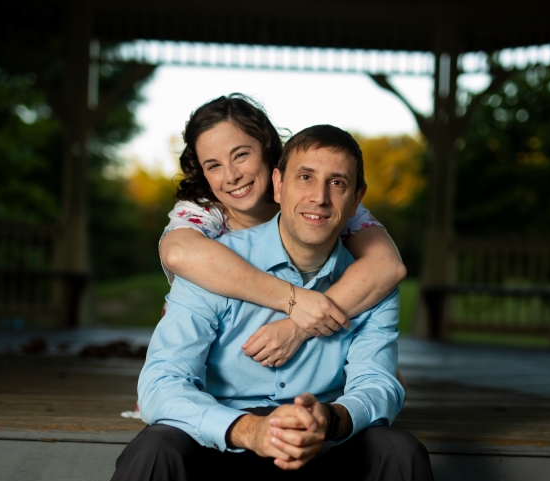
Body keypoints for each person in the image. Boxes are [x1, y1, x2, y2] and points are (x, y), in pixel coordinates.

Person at [89, 125, 441, 481]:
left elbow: (379, 382)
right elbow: (161, 383)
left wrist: (331, 419)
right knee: (154, 451)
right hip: (216, 458)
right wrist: (247, 431)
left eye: (337, 183)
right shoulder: (215, 264)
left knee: (400, 454)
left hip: (313, 458)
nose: (318, 197)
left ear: (357, 200)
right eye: (305, 178)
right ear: (277, 185)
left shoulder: (369, 284)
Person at [159, 94, 406, 368]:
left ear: (267, 149)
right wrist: (294, 301)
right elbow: (177, 253)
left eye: (241, 155)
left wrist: (301, 325)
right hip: (219, 357)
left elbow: (387, 265)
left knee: (386, 376)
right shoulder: (203, 211)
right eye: (213, 165)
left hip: (312, 360)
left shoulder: (317, 200)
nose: (231, 176)